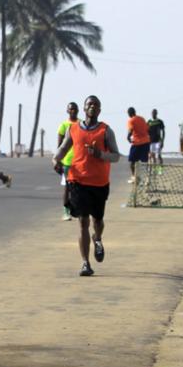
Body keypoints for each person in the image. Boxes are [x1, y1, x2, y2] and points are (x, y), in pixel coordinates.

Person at [53, 95, 121, 277]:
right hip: (78, 180)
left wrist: (100, 154)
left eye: (96, 105)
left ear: (99, 110)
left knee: (97, 221)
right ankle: (85, 262)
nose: (92, 107)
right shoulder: (73, 129)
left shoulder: (106, 131)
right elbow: (63, 148)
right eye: (89, 104)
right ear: (84, 108)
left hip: (99, 182)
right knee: (83, 221)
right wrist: (56, 159)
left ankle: (97, 238)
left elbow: (116, 156)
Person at [56, 102, 81, 221]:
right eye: (71, 109)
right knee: (67, 186)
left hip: (80, 161)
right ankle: (66, 211)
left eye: (75, 109)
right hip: (67, 161)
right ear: (67, 111)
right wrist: (57, 160)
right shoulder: (63, 125)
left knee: (80, 187)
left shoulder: (81, 124)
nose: (73, 111)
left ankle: (77, 209)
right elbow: (60, 145)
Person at [125, 107, 150, 184]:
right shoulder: (142, 119)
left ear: (129, 114)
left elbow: (130, 130)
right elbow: (147, 129)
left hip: (137, 143)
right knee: (145, 161)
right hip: (146, 142)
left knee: (132, 161)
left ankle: (134, 177)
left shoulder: (131, 120)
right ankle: (147, 178)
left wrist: (128, 137)